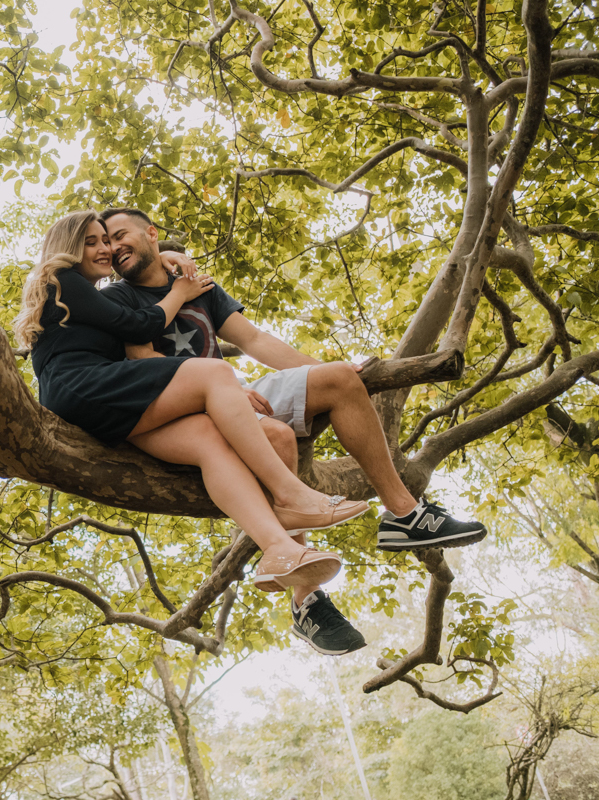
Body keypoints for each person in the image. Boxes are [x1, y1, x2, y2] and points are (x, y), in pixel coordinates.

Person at [97, 207, 488, 654]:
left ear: (151, 233)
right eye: (106, 241)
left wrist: (330, 371)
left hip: (235, 393)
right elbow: (141, 362)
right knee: (278, 437)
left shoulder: (197, 285)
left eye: (120, 234)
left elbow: (255, 341)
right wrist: (214, 386)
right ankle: (306, 601)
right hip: (184, 408)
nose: (113, 246)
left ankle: (406, 516)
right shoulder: (118, 300)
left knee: (341, 378)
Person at [13, 210, 370, 607]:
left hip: (105, 407)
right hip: (83, 386)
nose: (106, 249)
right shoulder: (64, 281)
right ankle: (289, 494)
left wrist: (165, 258)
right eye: (92, 241)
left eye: (107, 240)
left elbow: (137, 304)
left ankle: (279, 549)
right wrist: (180, 292)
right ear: (68, 247)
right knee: (215, 372)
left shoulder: (89, 294)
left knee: (209, 441)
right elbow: (138, 326)